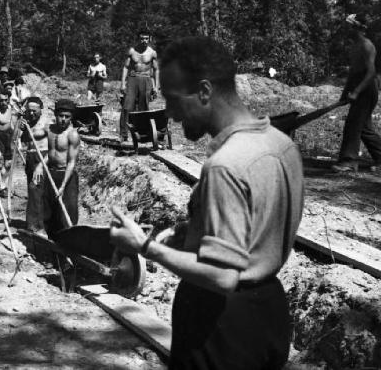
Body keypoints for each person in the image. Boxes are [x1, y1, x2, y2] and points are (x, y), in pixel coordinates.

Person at [110, 36, 304, 370]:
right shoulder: (279, 143)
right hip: (270, 312)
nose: (169, 113)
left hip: (222, 323)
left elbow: (223, 276)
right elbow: (257, 224)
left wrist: (144, 246)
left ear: (204, 91)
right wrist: (196, 231)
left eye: (173, 99)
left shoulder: (225, 164)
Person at [331, 14, 381, 172]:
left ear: (358, 28)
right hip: (359, 86)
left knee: (353, 124)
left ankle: (349, 161)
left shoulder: (367, 46)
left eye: (350, 26)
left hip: (367, 89)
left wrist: (357, 92)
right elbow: (353, 73)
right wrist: (345, 93)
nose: (347, 29)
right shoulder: (355, 46)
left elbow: (371, 73)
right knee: (364, 128)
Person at [43, 99, 80, 235]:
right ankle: (52, 245)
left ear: (71, 118)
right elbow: (33, 137)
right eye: (61, 116)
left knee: (68, 213)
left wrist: (63, 186)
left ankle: (70, 244)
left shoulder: (72, 135)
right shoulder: (50, 130)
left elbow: (71, 162)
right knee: (49, 212)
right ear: (55, 114)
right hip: (51, 173)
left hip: (67, 176)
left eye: (67, 117)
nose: (63, 119)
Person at [119, 31, 160, 141]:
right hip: (133, 78)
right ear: (139, 38)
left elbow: (156, 70)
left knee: (143, 107)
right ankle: (123, 134)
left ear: (149, 39)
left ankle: (142, 134)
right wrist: (122, 84)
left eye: (146, 38)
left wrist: (156, 86)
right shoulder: (132, 51)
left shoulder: (152, 53)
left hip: (146, 79)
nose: (144, 41)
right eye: (142, 38)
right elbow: (126, 67)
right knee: (127, 106)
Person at [20, 96, 48, 236]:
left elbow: (54, 147)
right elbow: (23, 140)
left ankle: (40, 226)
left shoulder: (47, 123)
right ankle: (31, 225)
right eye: (29, 111)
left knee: (36, 189)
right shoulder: (28, 122)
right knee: (32, 192)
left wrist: (43, 164)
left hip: (42, 158)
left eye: (34, 111)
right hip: (30, 157)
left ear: (41, 110)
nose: (31, 114)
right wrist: (23, 129)